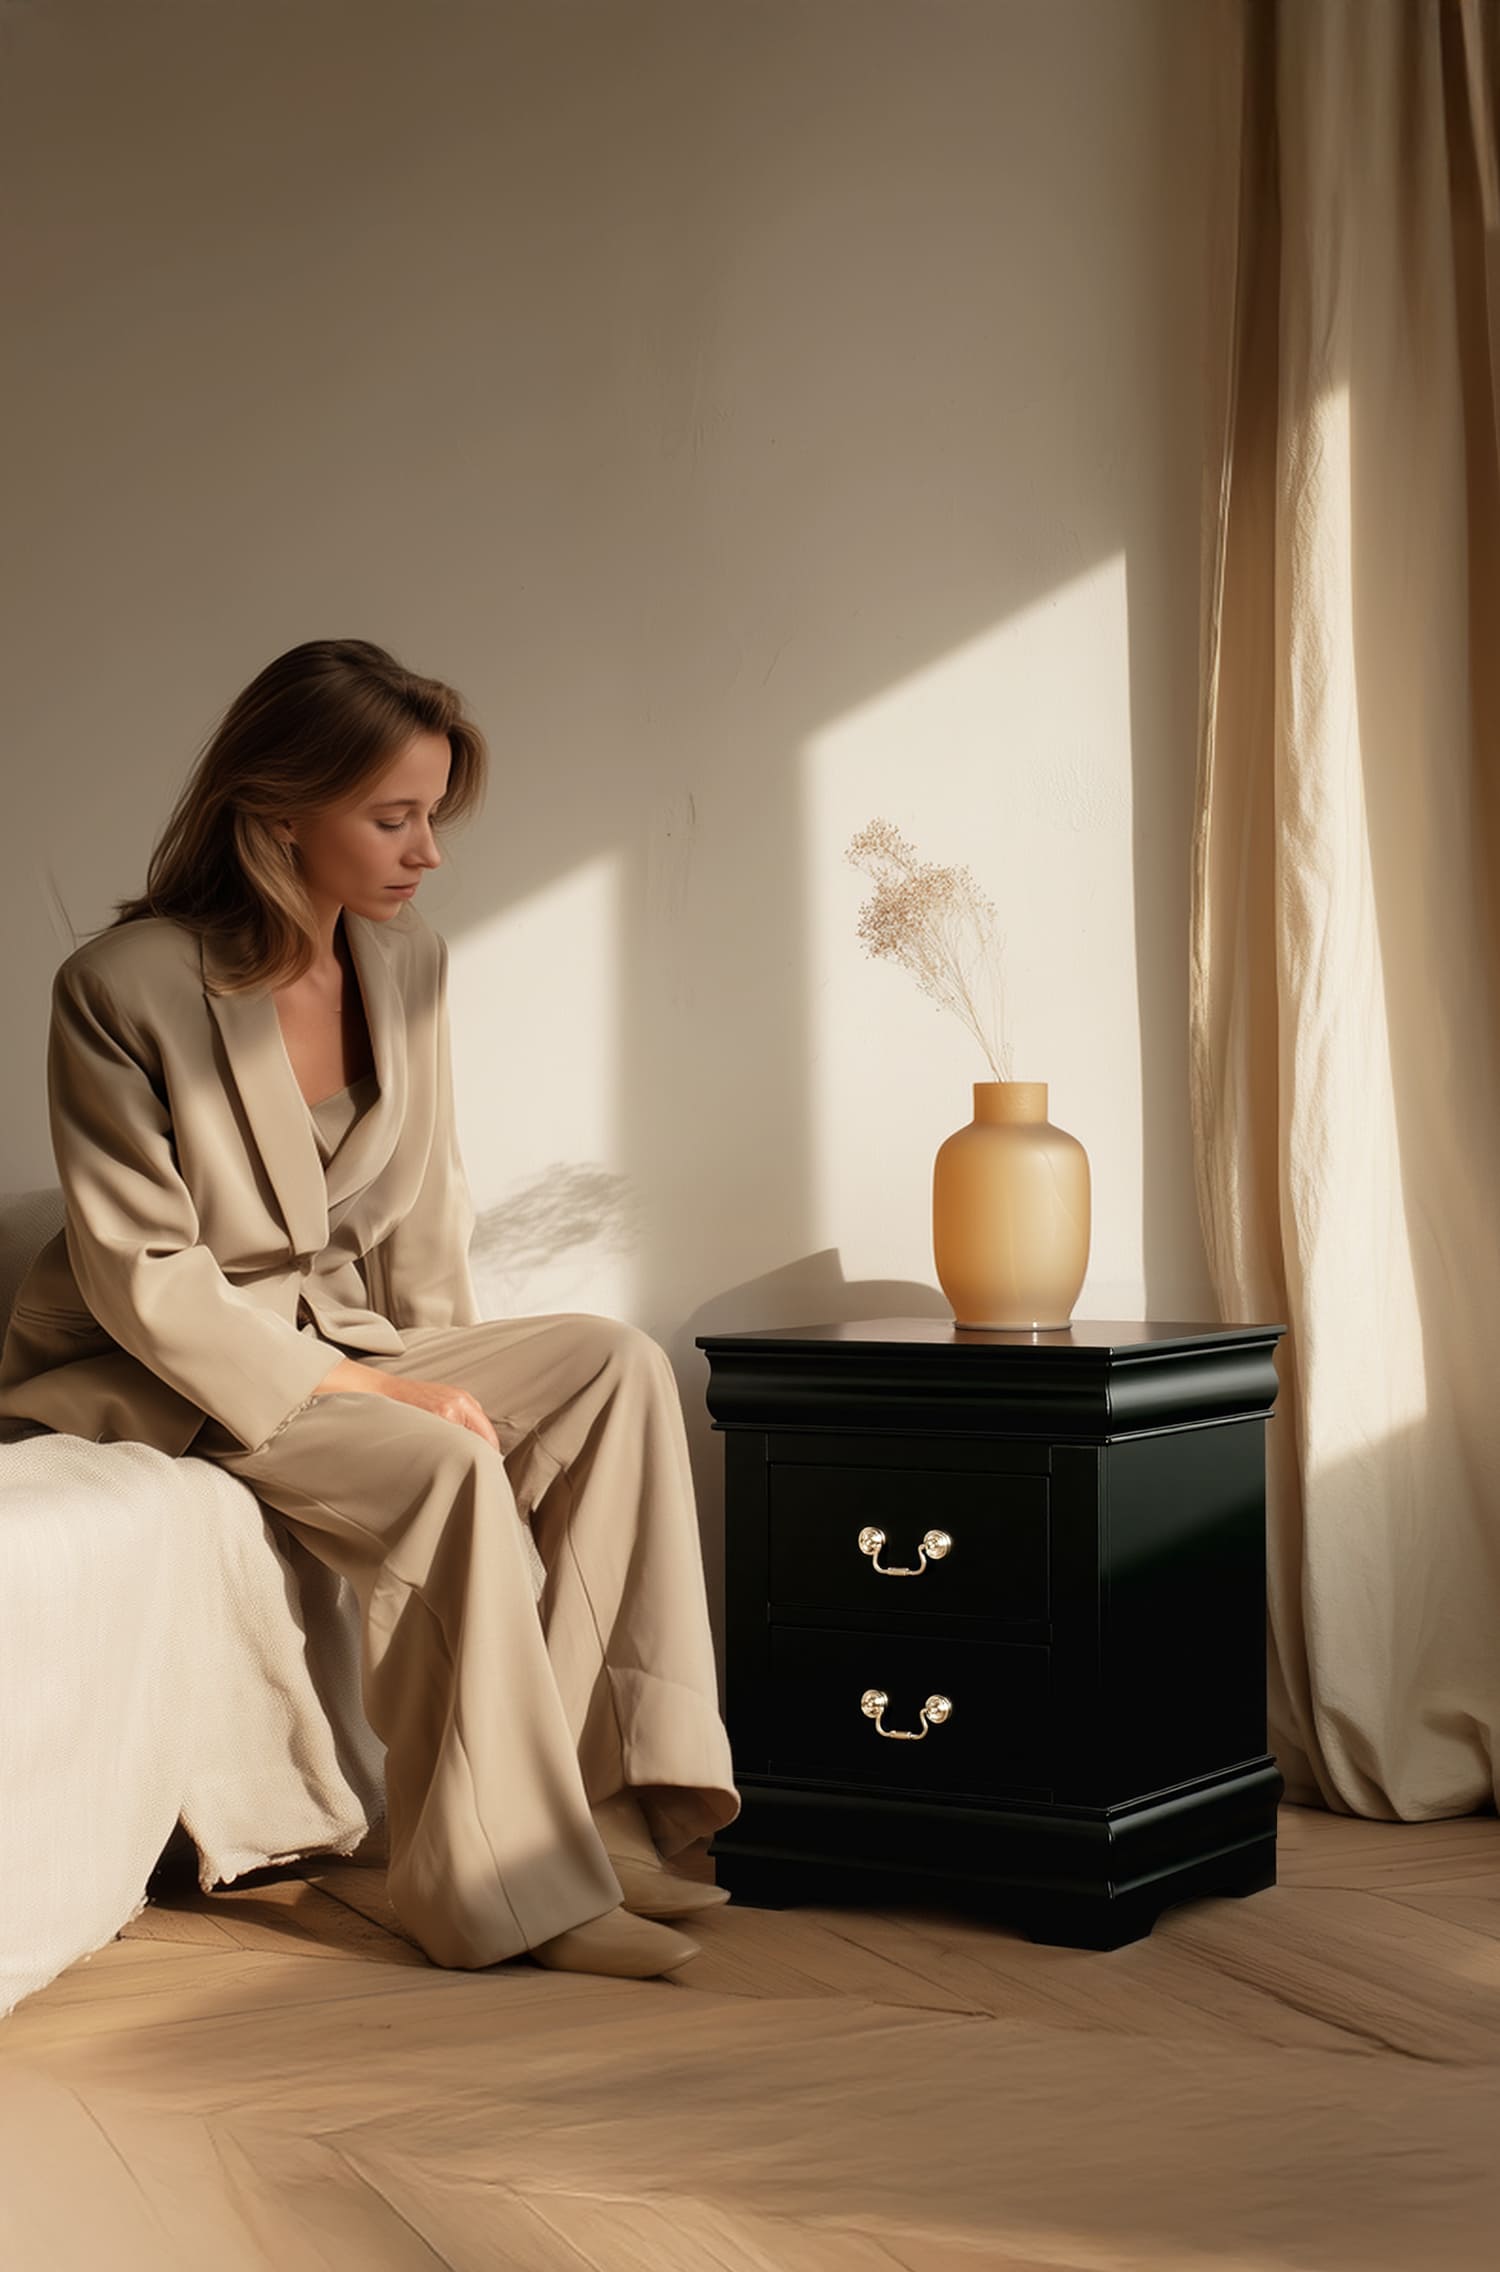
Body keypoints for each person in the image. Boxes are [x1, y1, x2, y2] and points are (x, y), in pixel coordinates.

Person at [0, 638, 739, 1980]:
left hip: (348, 1335)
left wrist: (447, 1367)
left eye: (433, 816)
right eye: (394, 817)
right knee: (446, 1462)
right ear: (280, 810)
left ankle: (608, 1811)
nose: (428, 853)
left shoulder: (409, 967)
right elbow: (143, 1277)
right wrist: (384, 1397)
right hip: (179, 1365)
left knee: (614, 1367)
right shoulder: (119, 990)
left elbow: (420, 1220)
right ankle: (503, 1895)